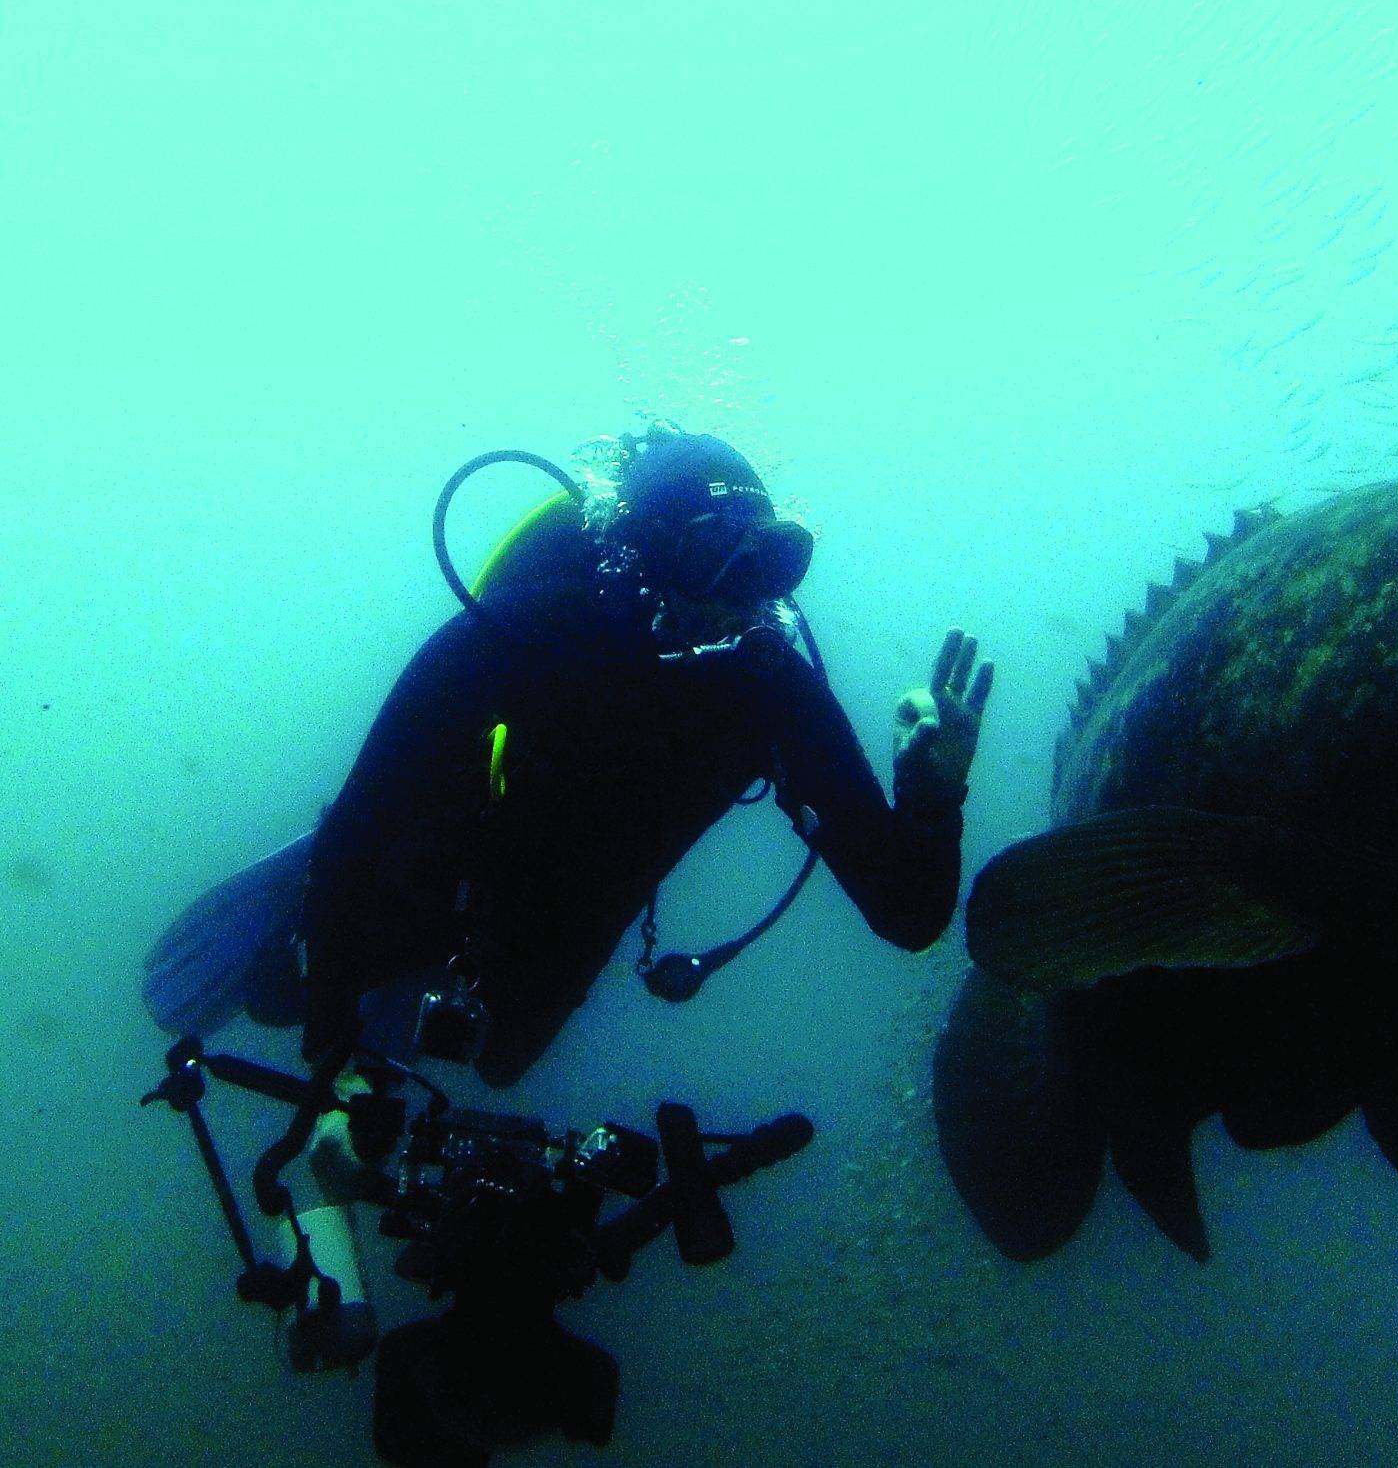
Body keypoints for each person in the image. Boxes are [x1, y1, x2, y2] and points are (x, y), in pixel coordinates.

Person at [143, 422, 993, 1369]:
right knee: (295, 988)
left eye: (773, 563)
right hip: (437, 858)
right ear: (647, 555)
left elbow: (909, 913)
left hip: (567, 920)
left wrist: (934, 792)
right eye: (718, 557)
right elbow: (363, 826)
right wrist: (336, 1067)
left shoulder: (769, 687)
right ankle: (315, 949)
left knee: (503, 1064)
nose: (745, 593)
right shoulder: (521, 633)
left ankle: (391, 1005)